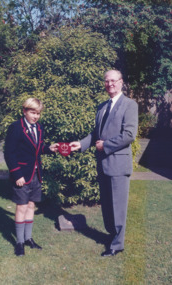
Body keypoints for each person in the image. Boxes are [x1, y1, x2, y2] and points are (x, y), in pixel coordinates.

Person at [70, 70, 138, 257]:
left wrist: (105, 145)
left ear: (121, 82)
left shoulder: (130, 105)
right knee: (107, 206)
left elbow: (129, 135)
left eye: (113, 81)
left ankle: (117, 244)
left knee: (118, 206)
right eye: (107, 81)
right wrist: (81, 144)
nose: (110, 84)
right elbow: (95, 134)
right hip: (103, 164)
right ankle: (112, 236)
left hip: (118, 165)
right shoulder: (102, 107)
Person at [4, 98, 58, 257]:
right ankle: (19, 242)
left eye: (38, 113)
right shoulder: (16, 128)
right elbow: (9, 153)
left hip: (36, 174)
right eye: (33, 112)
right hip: (21, 175)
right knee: (21, 207)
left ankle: (28, 238)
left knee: (31, 206)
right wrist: (17, 174)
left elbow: (38, 148)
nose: (36, 116)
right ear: (24, 111)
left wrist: (49, 148)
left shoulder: (39, 128)